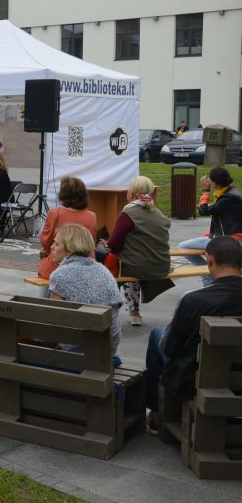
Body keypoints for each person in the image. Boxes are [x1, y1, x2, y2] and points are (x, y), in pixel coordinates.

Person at [145, 236, 242, 433]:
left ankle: (157, 414)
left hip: (197, 379)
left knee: (157, 334)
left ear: (210, 261)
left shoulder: (193, 301)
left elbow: (170, 348)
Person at [101, 175, 171, 326]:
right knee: (133, 262)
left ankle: (105, 308)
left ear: (131, 194)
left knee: (120, 264)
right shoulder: (159, 214)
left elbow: (114, 245)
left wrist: (104, 245)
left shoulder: (128, 213)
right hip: (161, 265)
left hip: (139, 267)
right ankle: (134, 313)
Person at [48, 224, 124, 362]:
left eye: (56, 244)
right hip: (108, 352)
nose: (51, 247)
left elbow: (56, 323)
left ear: (69, 250)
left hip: (75, 356)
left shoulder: (59, 276)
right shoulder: (104, 272)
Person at [176, 166, 242, 286]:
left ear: (214, 183)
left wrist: (206, 190)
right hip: (229, 236)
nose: (208, 181)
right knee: (200, 246)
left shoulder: (227, 198)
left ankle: (208, 280)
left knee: (182, 247)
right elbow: (226, 219)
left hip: (228, 239)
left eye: (210, 180)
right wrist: (210, 233)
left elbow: (203, 210)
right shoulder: (230, 193)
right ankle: (211, 279)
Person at [38, 176, 98, 279]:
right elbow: (92, 242)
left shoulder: (55, 213)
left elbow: (45, 241)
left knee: (45, 274)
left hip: (58, 266)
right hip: (86, 267)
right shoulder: (92, 216)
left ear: (63, 195)